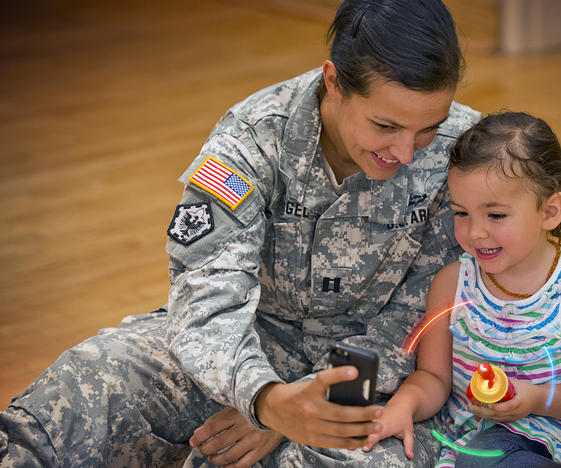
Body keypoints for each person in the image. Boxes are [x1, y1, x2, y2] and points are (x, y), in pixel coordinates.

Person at [0, 1, 482, 467]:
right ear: (333, 82)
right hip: (246, 343)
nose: (405, 151)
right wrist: (266, 398)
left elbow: (417, 320)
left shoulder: (464, 151)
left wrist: (310, 405)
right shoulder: (252, 140)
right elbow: (207, 300)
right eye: (385, 125)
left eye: (426, 129)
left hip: (373, 376)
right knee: (88, 384)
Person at [362, 112, 561, 467]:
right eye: (461, 213)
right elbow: (434, 376)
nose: (475, 233)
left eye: (495, 216)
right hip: (465, 441)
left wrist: (536, 399)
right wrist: (403, 405)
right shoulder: (452, 283)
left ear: (550, 211)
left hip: (550, 439)